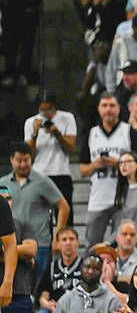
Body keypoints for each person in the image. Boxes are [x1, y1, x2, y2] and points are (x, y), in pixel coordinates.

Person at [80, 93, 137, 246]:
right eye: (104, 105)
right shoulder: (92, 133)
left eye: (112, 105)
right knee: (92, 245)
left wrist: (118, 163)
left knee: (123, 243)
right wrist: (95, 165)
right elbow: (82, 170)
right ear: (98, 109)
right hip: (98, 198)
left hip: (124, 198)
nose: (108, 109)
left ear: (119, 109)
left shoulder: (128, 131)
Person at [0, 143, 68, 285]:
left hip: (39, 243)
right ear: (11, 160)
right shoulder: (3, 183)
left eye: (27, 160)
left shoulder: (42, 181)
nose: (23, 164)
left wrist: (57, 236)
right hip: (10, 241)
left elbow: (63, 207)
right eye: (19, 160)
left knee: (37, 286)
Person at [24, 91, 77, 222]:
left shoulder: (67, 118)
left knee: (65, 217)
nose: (46, 114)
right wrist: (34, 134)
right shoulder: (31, 122)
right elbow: (29, 156)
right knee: (38, 218)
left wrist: (58, 134)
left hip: (61, 173)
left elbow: (71, 148)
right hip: (38, 174)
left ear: (55, 107)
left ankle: (64, 240)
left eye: (49, 109)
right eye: (42, 110)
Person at [0, 188, 35, 313]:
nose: (6, 201)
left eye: (8, 198)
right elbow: (18, 250)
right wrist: (12, 254)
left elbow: (31, 249)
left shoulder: (22, 224)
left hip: (17, 291)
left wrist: (10, 251)